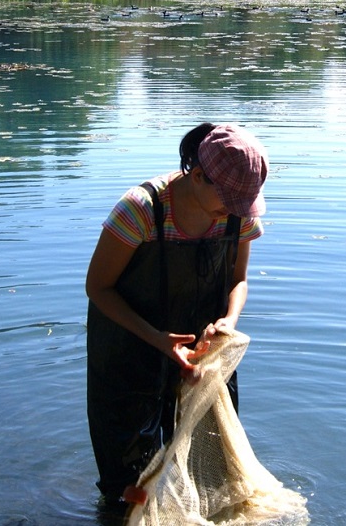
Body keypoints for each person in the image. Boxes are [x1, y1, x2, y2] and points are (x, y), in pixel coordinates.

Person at [85, 122, 268, 518]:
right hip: (128, 349)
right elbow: (98, 288)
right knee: (129, 488)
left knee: (214, 475)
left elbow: (237, 281)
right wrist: (157, 339)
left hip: (203, 356)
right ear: (198, 175)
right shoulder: (140, 211)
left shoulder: (237, 214)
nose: (236, 210)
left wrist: (227, 322)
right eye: (229, 200)